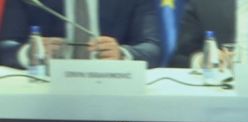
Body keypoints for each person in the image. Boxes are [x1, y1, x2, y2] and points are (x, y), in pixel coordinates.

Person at [0, 0, 162, 69]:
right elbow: (5, 46)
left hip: (112, 83)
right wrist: (29, 52)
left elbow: (152, 47)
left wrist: (123, 54)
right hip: (46, 85)